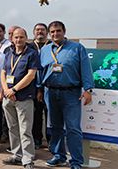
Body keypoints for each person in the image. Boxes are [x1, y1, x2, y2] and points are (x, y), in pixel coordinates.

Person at [40, 21, 93, 169]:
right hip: (50, 92)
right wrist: (39, 89)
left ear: (64, 31)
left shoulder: (77, 48)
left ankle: (76, 161)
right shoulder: (45, 50)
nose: (55, 34)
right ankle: (59, 156)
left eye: (58, 31)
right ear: (49, 34)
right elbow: (40, 72)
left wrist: (88, 90)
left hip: (71, 93)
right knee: (55, 127)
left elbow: (86, 69)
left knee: (73, 128)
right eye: (52, 32)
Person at [0, 27, 39, 169]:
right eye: (16, 37)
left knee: (25, 130)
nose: (18, 40)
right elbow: (3, 72)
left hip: (23, 97)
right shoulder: (8, 52)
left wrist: (14, 89)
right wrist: (6, 90)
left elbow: (30, 75)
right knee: (12, 128)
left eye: (21, 37)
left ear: (26, 38)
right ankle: (17, 155)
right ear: (12, 38)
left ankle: (28, 159)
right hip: (8, 97)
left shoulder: (32, 54)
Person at [28, 23, 52, 150]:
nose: (40, 32)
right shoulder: (28, 46)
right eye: (37, 30)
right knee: (35, 115)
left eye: (42, 30)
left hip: (48, 86)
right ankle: (36, 139)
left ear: (47, 32)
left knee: (50, 115)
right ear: (33, 32)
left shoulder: (51, 46)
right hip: (31, 87)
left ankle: (50, 141)